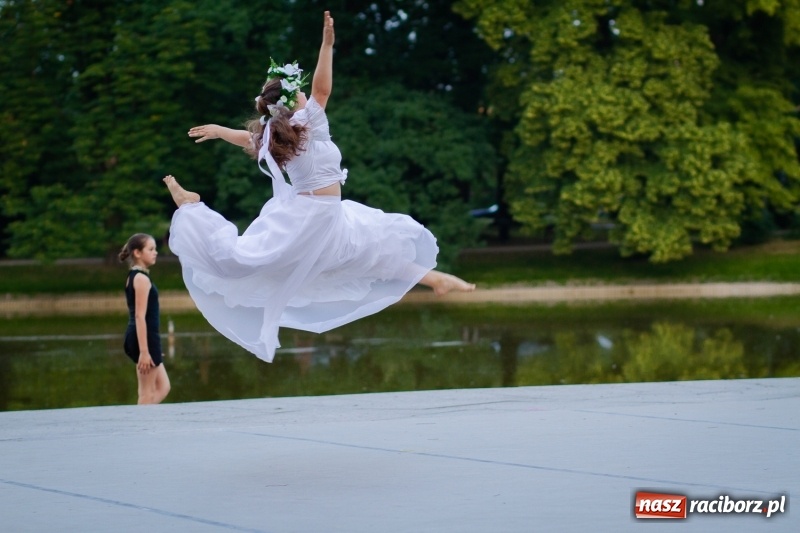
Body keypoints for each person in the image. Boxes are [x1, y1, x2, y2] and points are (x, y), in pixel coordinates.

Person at [163, 11, 474, 363]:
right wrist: (327, 44)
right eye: (300, 95)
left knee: (373, 254)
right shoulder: (306, 123)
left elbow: (251, 135)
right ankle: (190, 207)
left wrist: (220, 131)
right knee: (248, 260)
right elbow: (321, 89)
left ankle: (437, 280)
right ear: (294, 99)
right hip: (310, 217)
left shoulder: (287, 130)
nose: (307, 99)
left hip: (330, 214)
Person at [119, 233, 171, 404]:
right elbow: (139, 316)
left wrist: (152, 347)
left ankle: (145, 421)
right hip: (143, 339)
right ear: (137, 253)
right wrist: (144, 351)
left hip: (148, 339)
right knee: (146, 393)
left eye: (155, 249)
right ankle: (142, 426)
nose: (155, 252)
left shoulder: (139, 276)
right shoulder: (140, 279)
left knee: (163, 387)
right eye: (150, 249)